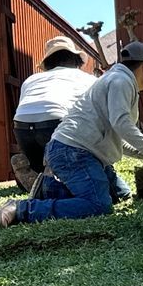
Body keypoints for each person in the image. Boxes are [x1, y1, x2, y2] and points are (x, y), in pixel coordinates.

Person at [0, 41, 143, 226]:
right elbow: (121, 123)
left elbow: (117, 136)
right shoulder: (122, 82)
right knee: (98, 205)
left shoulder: (114, 80)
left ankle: (51, 190)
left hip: (76, 149)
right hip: (73, 152)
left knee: (121, 194)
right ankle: (23, 209)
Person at [11, 36, 96, 179]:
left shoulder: (31, 80)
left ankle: (37, 173)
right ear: (76, 60)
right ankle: (54, 176)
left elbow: (22, 108)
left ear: (48, 62)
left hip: (22, 128)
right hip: (56, 125)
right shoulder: (86, 78)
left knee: (40, 168)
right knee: (76, 175)